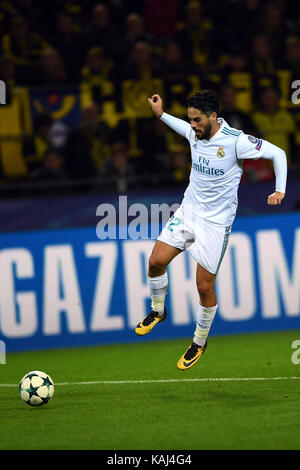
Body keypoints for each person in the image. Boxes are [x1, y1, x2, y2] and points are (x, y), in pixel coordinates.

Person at [135, 90, 287, 370]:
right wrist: (161, 115)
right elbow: (182, 128)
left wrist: (280, 189)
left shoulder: (236, 141)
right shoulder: (195, 132)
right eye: (190, 119)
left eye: (196, 120)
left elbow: (279, 154)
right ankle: (158, 311)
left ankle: (199, 341)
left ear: (213, 117)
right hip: (188, 213)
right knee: (155, 262)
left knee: (204, 288)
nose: (191, 125)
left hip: (216, 224)